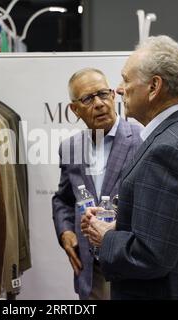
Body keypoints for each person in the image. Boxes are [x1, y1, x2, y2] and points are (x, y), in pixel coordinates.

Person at [82, 35, 178, 300]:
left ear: (154, 86)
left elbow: (152, 257)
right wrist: (118, 227)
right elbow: (168, 236)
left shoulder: (168, 152)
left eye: (126, 79)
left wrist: (105, 237)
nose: (119, 89)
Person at [52, 68, 142, 300]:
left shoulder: (143, 139)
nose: (99, 103)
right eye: (88, 99)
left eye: (103, 94)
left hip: (130, 267)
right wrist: (66, 232)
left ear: (113, 96)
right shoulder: (70, 148)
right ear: (74, 109)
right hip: (89, 271)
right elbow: (63, 198)